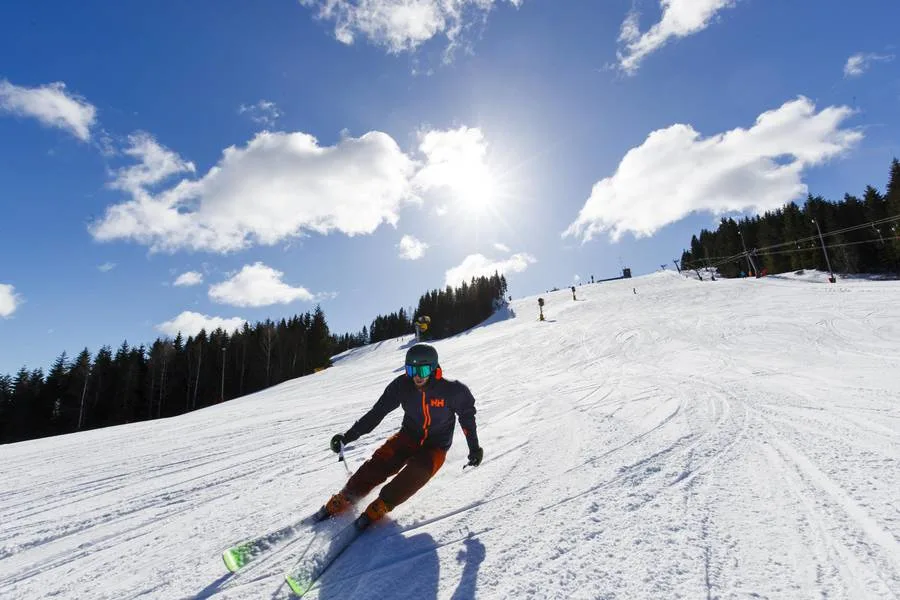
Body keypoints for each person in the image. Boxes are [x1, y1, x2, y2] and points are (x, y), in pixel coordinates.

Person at [317, 343, 483, 529]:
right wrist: (347, 437)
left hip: (436, 446)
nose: (417, 376)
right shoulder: (401, 386)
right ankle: (347, 496)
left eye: (423, 370)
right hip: (408, 436)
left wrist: (474, 448)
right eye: (411, 370)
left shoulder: (453, 391)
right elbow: (377, 413)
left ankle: (383, 503)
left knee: (418, 471)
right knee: (381, 460)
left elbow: (467, 419)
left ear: (434, 368)